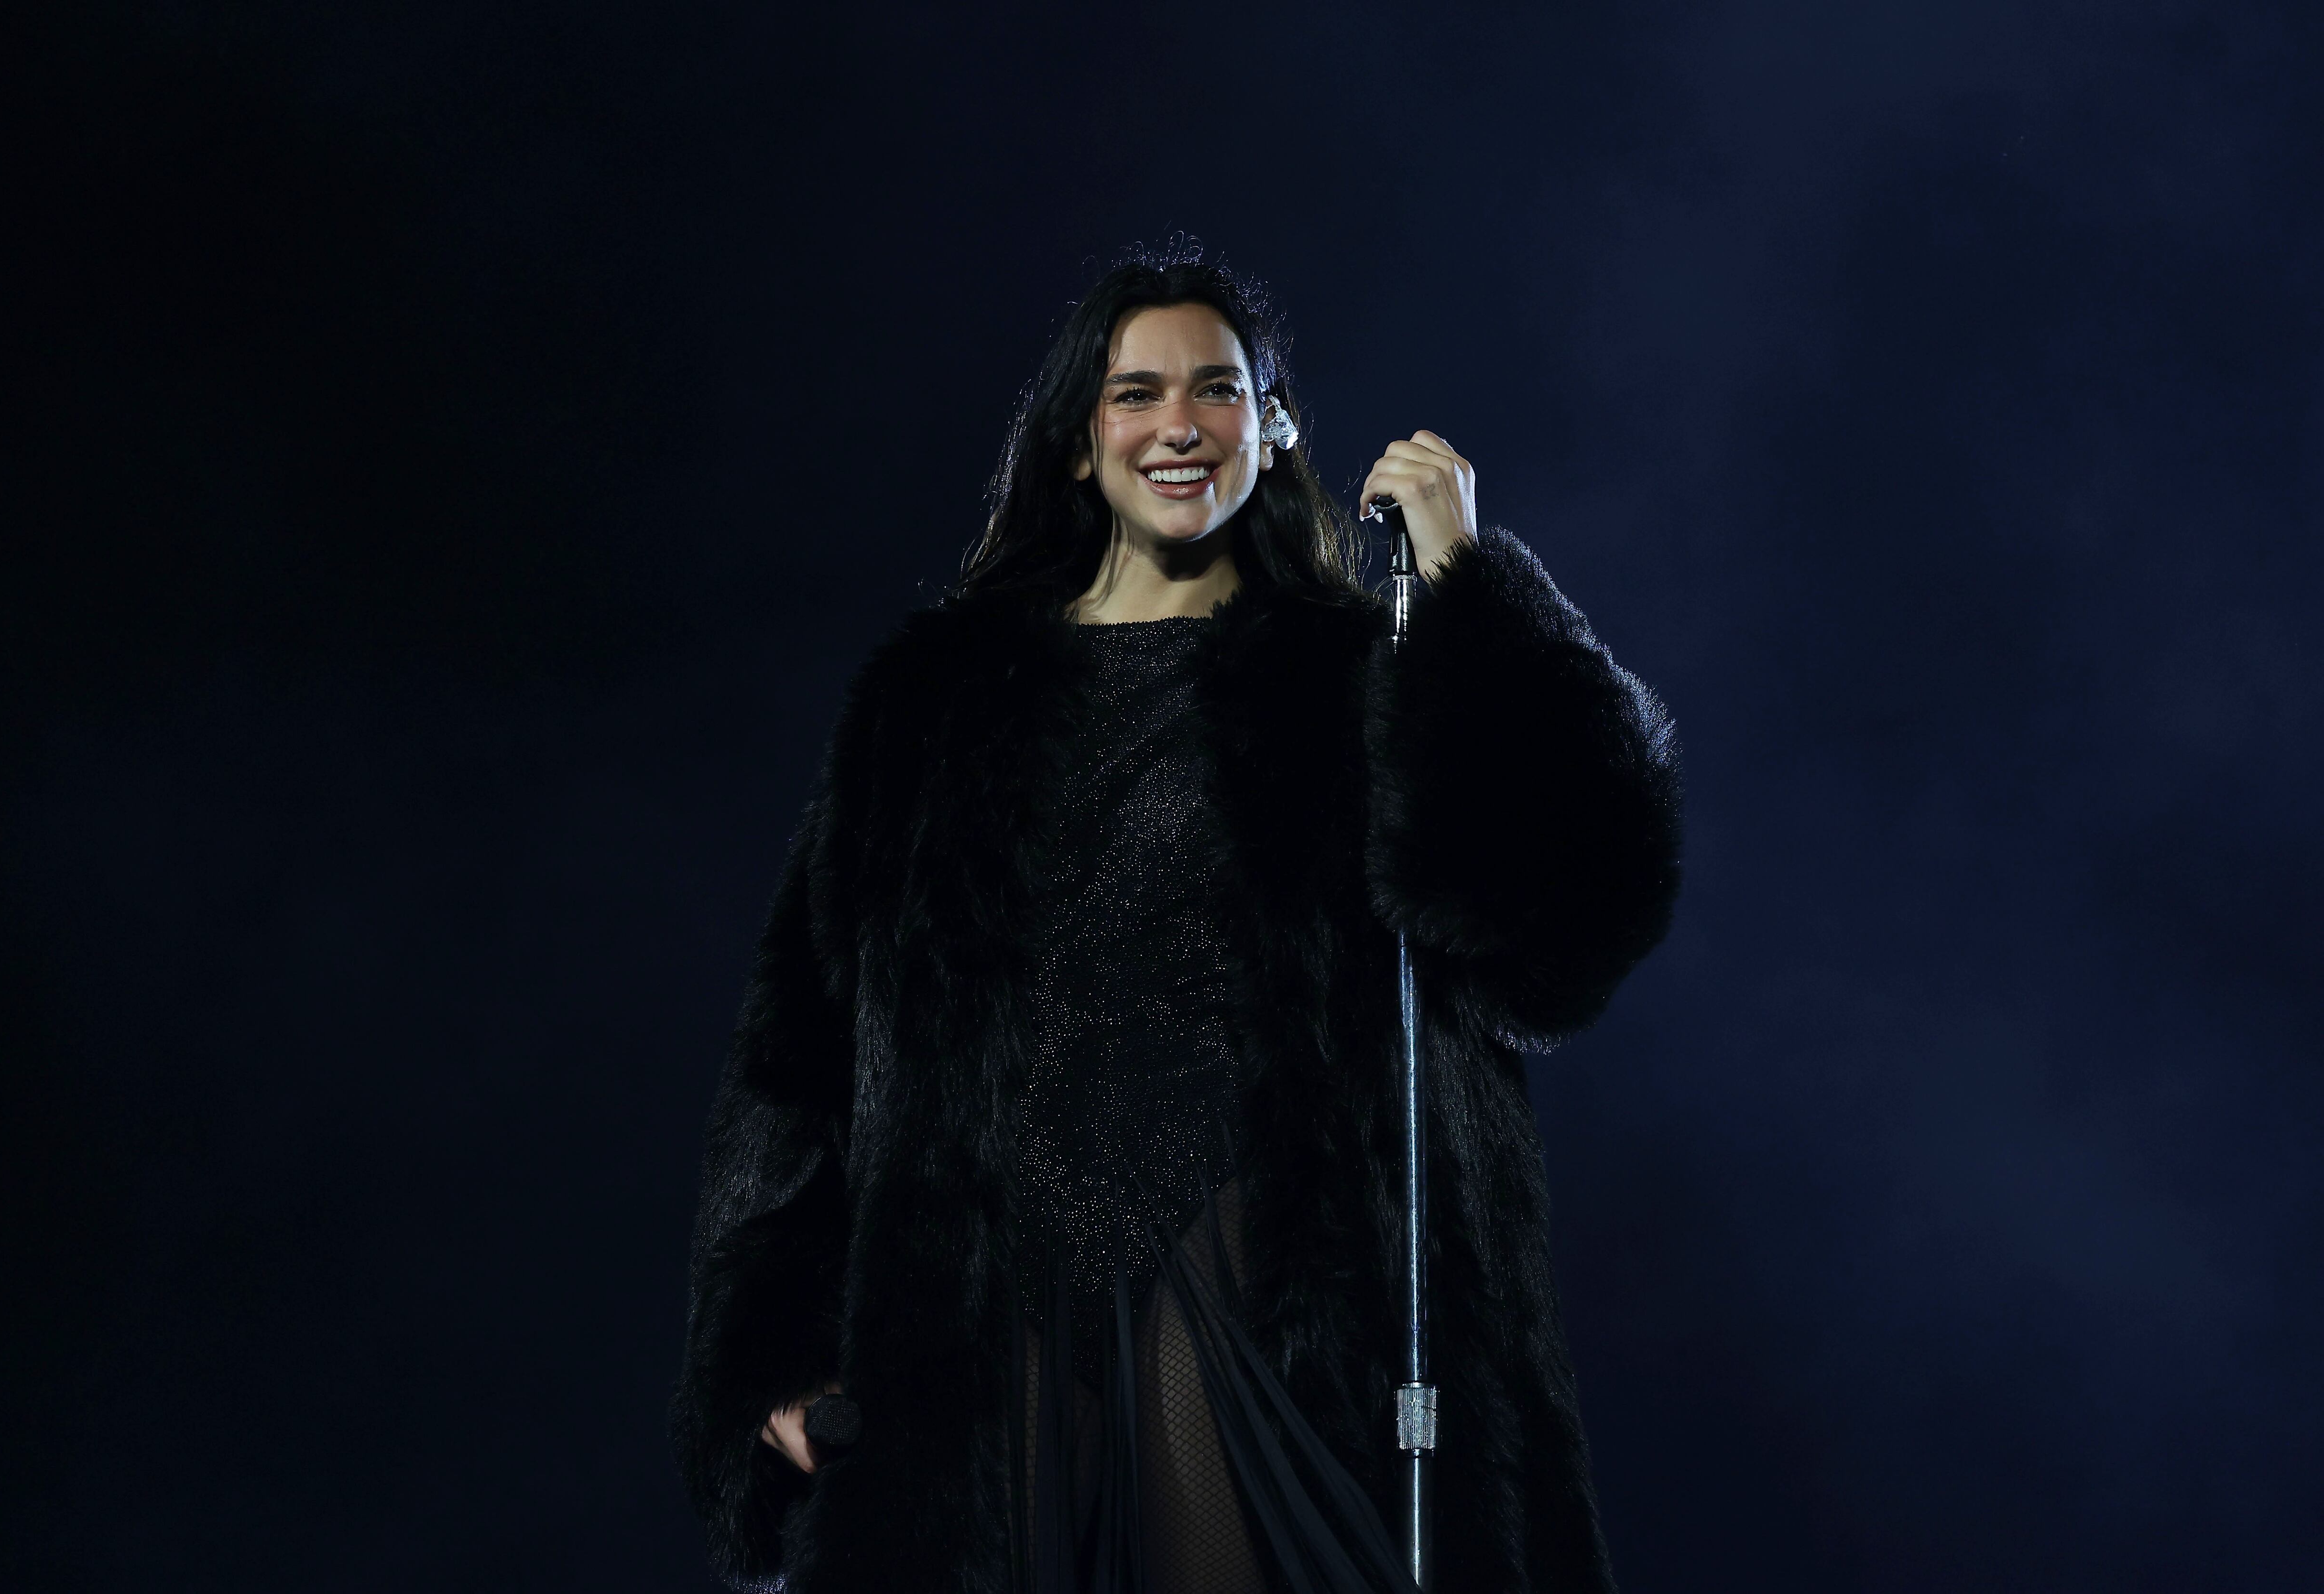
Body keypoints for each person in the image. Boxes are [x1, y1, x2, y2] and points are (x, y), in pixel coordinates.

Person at [671, 246, 1682, 1594]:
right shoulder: (932, 710)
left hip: (1284, 1328)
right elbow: (798, 1062)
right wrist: (773, 1352)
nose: (1176, 425)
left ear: (1271, 430)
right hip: (995, 1347)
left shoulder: (1362, 676)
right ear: (1080, 442)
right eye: (1135, 391)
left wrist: (1465, 592)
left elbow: (1568, 921)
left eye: (1217, 390)